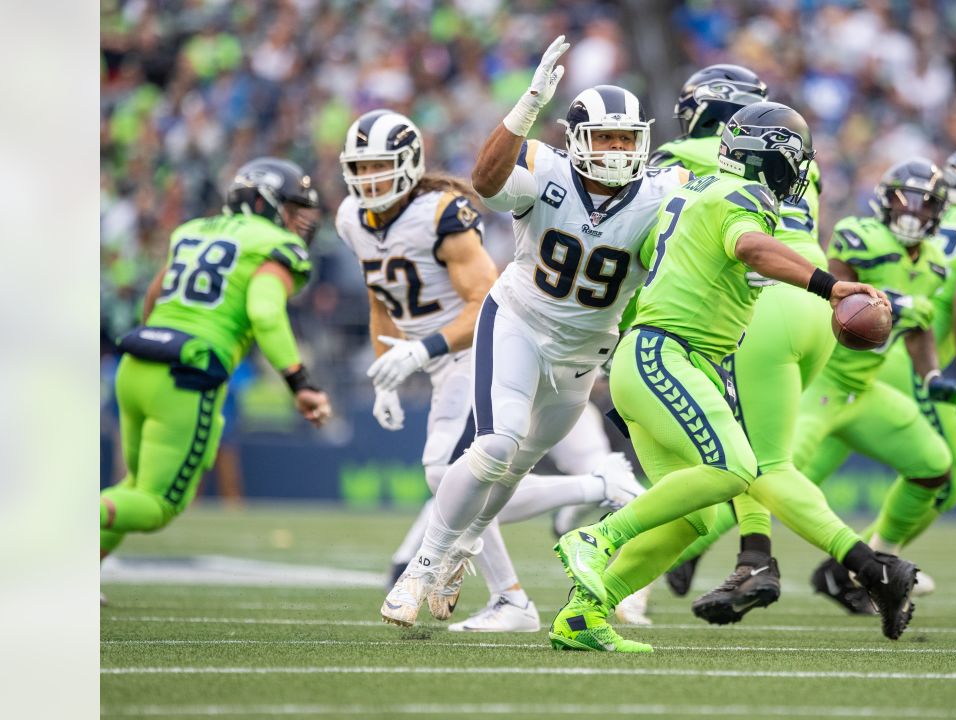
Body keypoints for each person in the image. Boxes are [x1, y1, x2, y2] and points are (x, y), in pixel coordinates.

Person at [550, 101, 918, 653]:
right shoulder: (743, 197)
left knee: (693, 520)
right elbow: (747, 245)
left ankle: (583, 614)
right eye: (797, 160)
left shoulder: (695, 192)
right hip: (667, 354)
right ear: (775, 160)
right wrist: (830, 286)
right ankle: (597, 538)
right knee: (736, 469)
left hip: (660, 358)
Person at [380, 36, 690, 629]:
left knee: (514, 468)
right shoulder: (545, 170)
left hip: (583, 354)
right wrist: (525, 108)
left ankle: (462, 551)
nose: (617, 150)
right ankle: (425, 563)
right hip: (518, 322)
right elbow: (487, 182)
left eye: (627, 138)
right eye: (605, 138)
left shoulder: (660, 195)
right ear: (576, 141)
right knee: (494, 446)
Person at [336, 109, 645, 632]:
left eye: (380, 167)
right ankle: (507, 585)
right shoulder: (350, 218)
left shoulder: (441, 212)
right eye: (361, 169)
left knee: (454, 469)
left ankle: (519, 574)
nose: (370, 180)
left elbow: (481, 299)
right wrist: (384, 368)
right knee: (481, 468)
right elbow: (379, 297)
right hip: (449, 357)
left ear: (409, 163)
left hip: (478, 345)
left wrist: (421, 349)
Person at [810, 147, 956, 612]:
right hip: (895, 354)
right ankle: (872, 565)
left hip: (886, 351)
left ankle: (861, 564)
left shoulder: (931, 241)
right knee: (948, 474)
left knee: (801, 468)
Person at [100, 158, 332, 599]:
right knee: (157, 505)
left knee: (131, 486)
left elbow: (155, 295)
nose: (300, 220)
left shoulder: (192, 230)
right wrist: (300, 382)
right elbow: (264, 311)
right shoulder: (274, 244)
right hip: (187, 372)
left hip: (137, 360)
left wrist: (159, 341)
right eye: (293, 207)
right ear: (267, 204)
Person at [648, 63, 825, 622]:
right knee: (756, 452)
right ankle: (742, 553)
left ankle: (754, 556)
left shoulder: (683, 160)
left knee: (737, 457)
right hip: (814, 301)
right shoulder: (798, 164)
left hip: (744, 306)